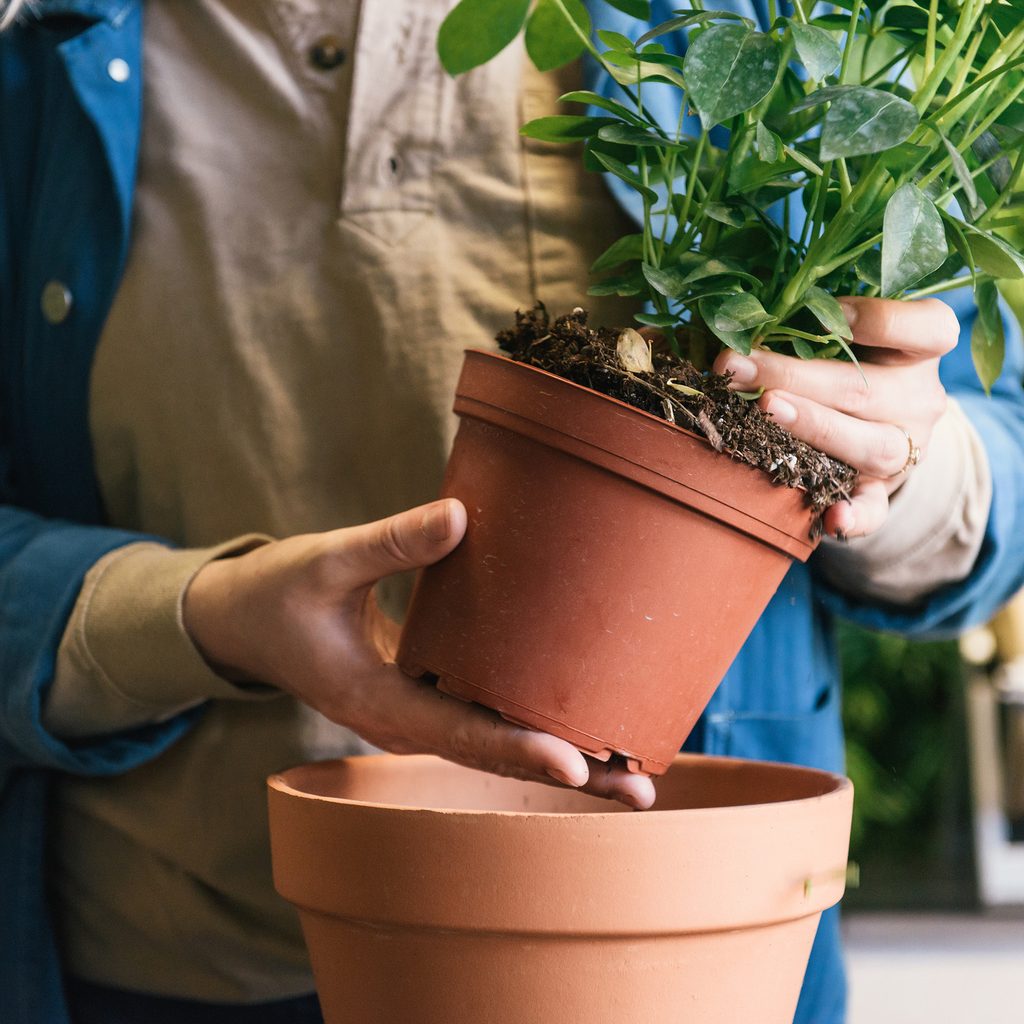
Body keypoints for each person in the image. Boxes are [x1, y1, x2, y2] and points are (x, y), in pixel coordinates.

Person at [0, 2, 1021, 1023]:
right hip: (169, 956)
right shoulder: (41, 53)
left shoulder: (779, 27)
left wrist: (885, 464)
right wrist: (201, 614)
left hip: (661, 953)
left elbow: (994, 461)